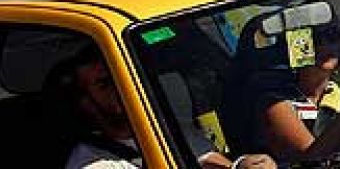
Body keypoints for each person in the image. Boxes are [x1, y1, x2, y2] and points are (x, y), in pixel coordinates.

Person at [221, 2, 340, 164]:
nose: (325, 45)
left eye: (332, 35)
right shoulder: (274, 101)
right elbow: (312, 160)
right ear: (292, 46)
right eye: (312, 38)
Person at [52, 44, 275, 169]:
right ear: (87, 104)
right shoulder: (91, 164)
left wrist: (244, 165)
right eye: (104, 84)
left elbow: (210, 162)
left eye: (119, 76)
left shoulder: (170, 130)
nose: (119, 86)